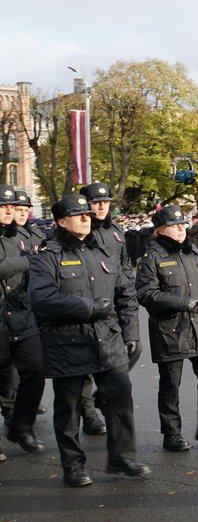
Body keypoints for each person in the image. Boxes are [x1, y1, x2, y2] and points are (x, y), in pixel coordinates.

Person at [29, 193, 145, 488]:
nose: (86, 218)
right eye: (78, 214)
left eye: (87, 214)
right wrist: (89, 308)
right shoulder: (48, 256)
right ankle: (74, 465)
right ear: (60, 222)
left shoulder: (102, 252)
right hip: (68, 342)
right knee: (69, 409)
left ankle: (121, 456)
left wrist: (131, 333)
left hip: (108, 341)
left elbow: (126, 295)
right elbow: (41, 298)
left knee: (120, 398)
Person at [135, 204, 198, 452]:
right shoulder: (152, 257)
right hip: (169, 329)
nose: (180, 230)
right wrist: (182, 303)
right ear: (161, 230)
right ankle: (171, 433)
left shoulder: (194, 252)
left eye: (182, 224)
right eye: (174, 226)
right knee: (171, 385)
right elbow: (145, 293)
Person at [0, 185, 45, 456]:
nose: (8, 210)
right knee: (4, 376)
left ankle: (21, 425)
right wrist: (27, 261)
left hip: (21, 315)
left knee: (36, 370)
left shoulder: (20, 235)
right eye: (2, 207)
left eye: (10, 206)